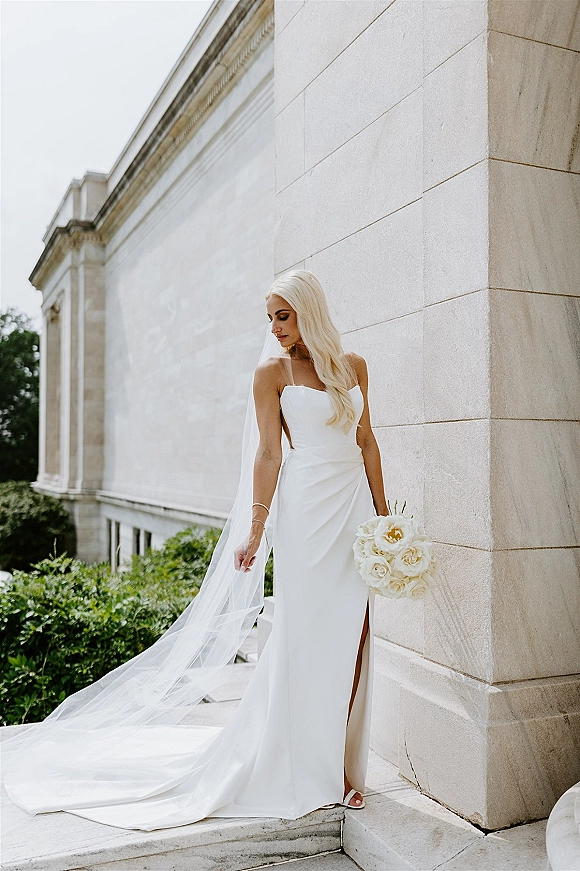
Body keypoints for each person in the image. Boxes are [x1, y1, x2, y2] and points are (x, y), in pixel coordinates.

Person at [2, 269, 389, 830]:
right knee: (304, 640)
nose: (276, 328)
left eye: (284, 315)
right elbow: (268, 456)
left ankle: (347, 767)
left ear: (309, 310)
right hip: (305, 516)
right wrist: (254, 533)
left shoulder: (354, 367)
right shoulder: (270, 375)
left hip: (351, 509)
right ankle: (309, 766)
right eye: (270, 318)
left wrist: (385, 519)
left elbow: (367, 440)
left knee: (357, 635)